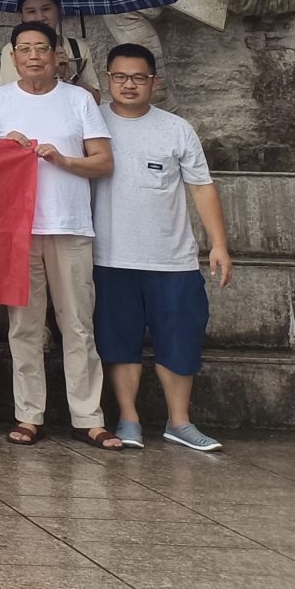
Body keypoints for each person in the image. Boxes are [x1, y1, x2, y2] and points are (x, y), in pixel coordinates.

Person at [0, 19, 121, 449]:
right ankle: (28, 415)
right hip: (18, 229)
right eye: (24, 49)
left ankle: (88, 417)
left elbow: (104, 162)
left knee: (78, 324)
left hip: (69, 225)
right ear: (13, 56)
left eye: (42, 47)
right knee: (24, 326)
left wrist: (62, 160)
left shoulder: (79, 100)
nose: (34, 56)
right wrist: (3, 149)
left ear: (57, 55)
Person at [94, 44, 232, 451]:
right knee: (119, 341)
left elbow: (201, 187)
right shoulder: (92, 122)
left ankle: (180, 421)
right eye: (120, 77)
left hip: (172, 258)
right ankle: (128, 419)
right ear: (108, 79)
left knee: (180, 338)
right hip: (110, 255)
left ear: (154, 82)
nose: (129, 84)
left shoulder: (176, 128)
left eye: (139, 77)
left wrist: (219, 244)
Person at [0, 0, 102, 97]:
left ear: (58, 10)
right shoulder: (14, 49)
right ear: (22, 16)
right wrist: (50, 69)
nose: (40, 17)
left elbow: (95, 100)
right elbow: (9, 97)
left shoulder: (78, 49)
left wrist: (70, 74)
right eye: (31, 11)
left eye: (46, 9)